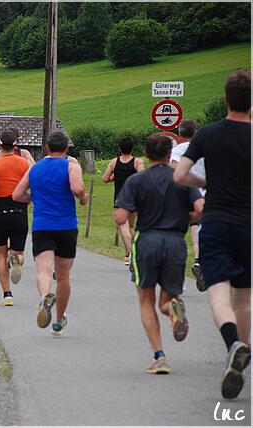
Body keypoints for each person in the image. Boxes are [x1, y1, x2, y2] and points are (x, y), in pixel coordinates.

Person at [174, 69, 251, 398]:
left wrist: (204, 183)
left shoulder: (208, 133)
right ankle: (239, 356)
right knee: (244, 298)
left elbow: (180, 175)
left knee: (218, 294)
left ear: (225, 100)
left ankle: (233, 343)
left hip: (217, 221)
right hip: (249, 224)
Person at [115, 133, 202, 374]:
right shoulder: (182, 180)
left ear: (145, 154)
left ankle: (160, 356)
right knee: (166, 299)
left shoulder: (136, 181)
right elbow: (201, 209)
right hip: (175, 240)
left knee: (146, 300)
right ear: (169, 154)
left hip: (147, 240)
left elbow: (121, 217)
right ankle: (173, 311)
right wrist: (185, 218)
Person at [12, 130, 87, 332]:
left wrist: (34, 198)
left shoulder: (34, 169)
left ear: (47, 148)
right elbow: (78, 189)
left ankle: (45, 297)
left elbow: (17, 194)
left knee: (43, 271)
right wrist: (82, 198)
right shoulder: (71, 166)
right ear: (66, 149)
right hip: (66, 226)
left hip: (42, 225)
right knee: (63, 277)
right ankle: (60, 318)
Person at [0, 129, 30, 306]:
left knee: (0, 255)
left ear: (0, 145)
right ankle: (17, 261)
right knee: (19, 252)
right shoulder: (24, 163)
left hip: (0, 212)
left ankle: (7, 294)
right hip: (19, 211)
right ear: (16, 145)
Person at [170, 119, 205, 291]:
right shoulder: (204, 147)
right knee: (203, 228)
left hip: (187, 194)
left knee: (185, 232)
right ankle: (201, 261)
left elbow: (175, 171)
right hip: (206, 195)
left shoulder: (178, 149)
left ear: (179, 134)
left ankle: (184, 273)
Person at [102, 137, 145, 265]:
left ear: (120, 148)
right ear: (132, 148)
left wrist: (115, 177)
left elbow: (105, 179)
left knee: (123, 227)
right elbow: (143, 177)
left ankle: (132, 253)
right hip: (134, 198)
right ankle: (128, 254)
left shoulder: (114, 162)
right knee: (131, 226)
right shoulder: (137, 162)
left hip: (120, 198)